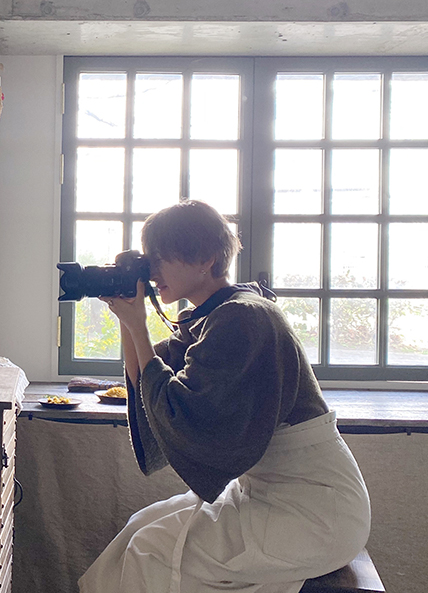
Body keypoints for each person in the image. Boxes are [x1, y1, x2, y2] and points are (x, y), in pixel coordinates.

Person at [78, 200, 370, 593]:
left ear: (207, 259)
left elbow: (183, 411)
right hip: (267, 492)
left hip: (313, 507)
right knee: (138, 530)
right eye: (150, 260)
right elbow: (152, 388)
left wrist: (139, 328)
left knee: (152, 550)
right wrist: (130, 324)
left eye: (162, 258)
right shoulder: (215, 316)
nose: (153, 271)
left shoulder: (244, 318)